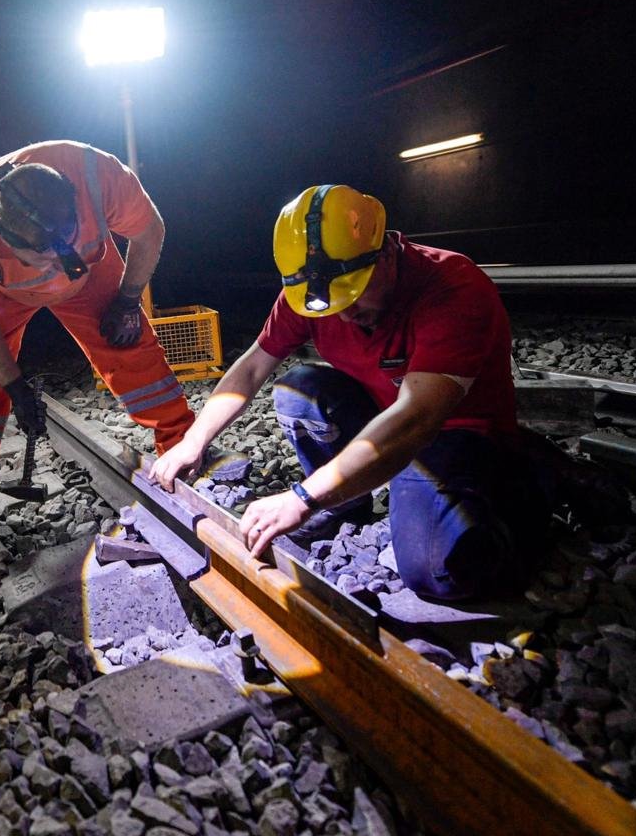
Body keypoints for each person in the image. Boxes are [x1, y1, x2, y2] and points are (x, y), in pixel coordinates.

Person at [150, 183, 541, 600]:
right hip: (387, 415)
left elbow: (417, 418)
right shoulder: (313, 290)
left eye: (353, 293)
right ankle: (344, 501)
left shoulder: (452, 286)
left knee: (435, 571)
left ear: (386, 252)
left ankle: (531, 488)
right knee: (299, 391)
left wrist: (302, 498)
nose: (345, 314)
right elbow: (251, 367)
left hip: (454, 431)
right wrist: (194, 441)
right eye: (332, 303)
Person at [0, 140, 194, 547]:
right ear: (4, 239)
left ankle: (183, 447)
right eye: (43, 257)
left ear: (73, 202)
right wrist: (15, 387)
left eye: (63, 245)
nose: (56, 266)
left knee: (129, 345)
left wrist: (127, 300)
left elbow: (149, 231)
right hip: (4, 296)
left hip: (89, 271)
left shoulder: (96, 174)